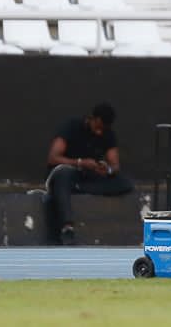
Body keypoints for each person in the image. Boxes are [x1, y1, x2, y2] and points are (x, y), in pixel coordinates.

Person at [44, 103, 133, 246]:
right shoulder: (71, 126)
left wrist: (107, 169)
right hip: (69, 171)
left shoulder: (108, 134)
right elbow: (53, 158)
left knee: (125, 183)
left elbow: (115, 165)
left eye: (102, 129)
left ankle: (79, 188)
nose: (99, 132)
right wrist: (80, 162)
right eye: (97, 127)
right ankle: (67, 226)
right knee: (63, 175)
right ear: (92, 119)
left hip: (89, 176)